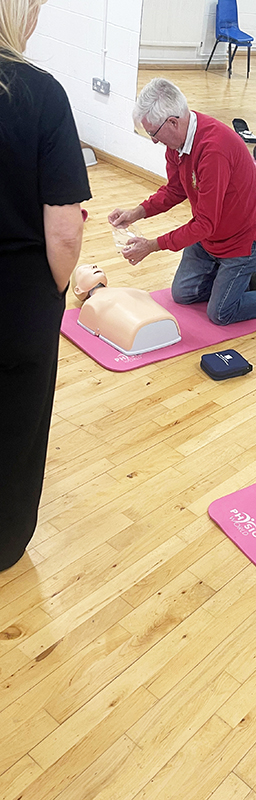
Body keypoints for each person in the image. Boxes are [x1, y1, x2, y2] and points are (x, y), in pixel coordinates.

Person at [0, 0, 91, 571]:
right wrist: (54, 292)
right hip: (19, 300)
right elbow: (64, 234)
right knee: (16, 427)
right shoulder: (42, 94)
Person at [108, 78, 256, 326]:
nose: (153, 140)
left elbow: (204, 224)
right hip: (211, 237)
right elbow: (175, 189)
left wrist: (152, 245)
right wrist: (137, 212)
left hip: (243, 241)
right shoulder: (177, 143)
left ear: (173, 121)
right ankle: (244, 280)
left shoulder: (214, 150)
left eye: (153, 133)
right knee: (183, 294)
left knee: (221, 314)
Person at [71, 263, 180, 355]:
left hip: (154, 325)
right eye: (86, 269)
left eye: (94, 266)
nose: (94, 266)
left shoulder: (127, 290)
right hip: (143, 331)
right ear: (78, 290)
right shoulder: (92, 304)